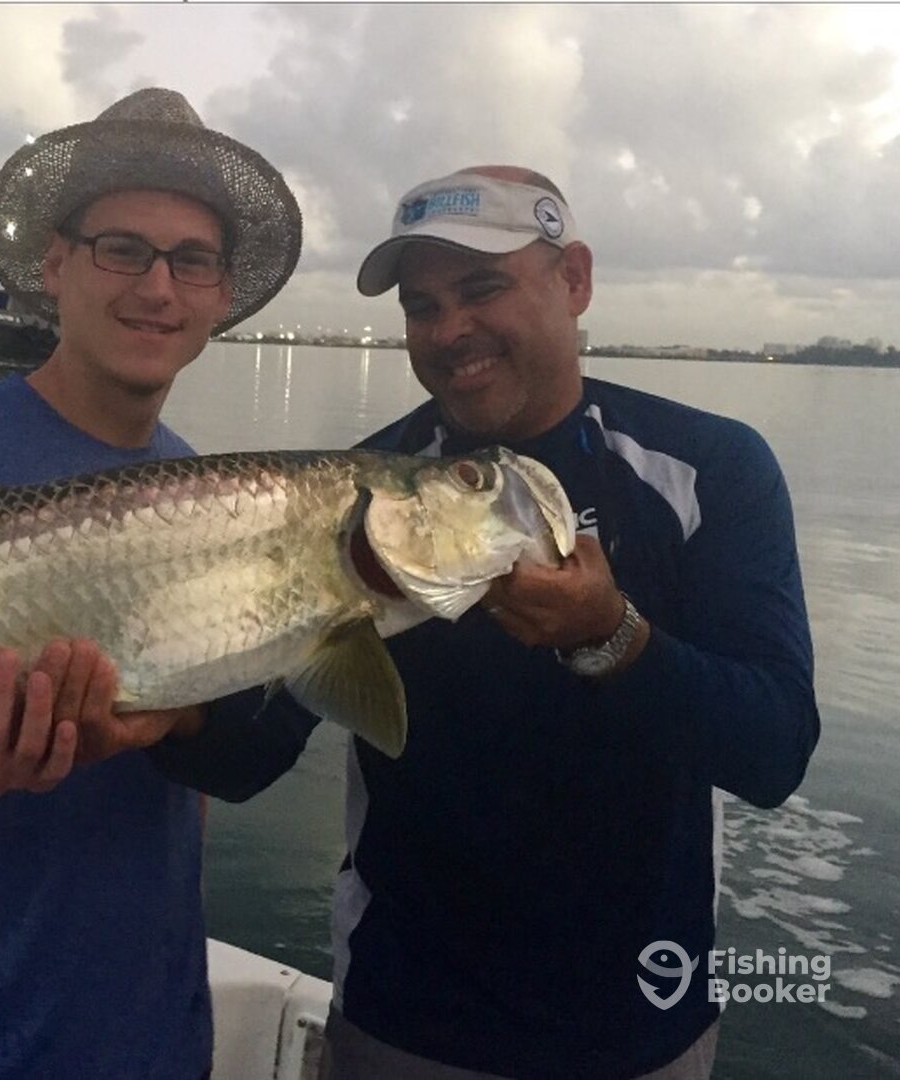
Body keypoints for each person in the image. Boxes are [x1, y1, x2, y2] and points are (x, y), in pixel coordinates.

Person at [149, 166, 821, 1078]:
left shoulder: (705, 469)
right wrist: (149, 705)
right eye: (422, 306)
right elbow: (244, 759)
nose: (448, 330)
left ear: (574, 281)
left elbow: (775, 749)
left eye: (481, 288)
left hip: (639, 1030)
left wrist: (610, 635)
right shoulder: (367, 490)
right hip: (403, 1020)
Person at [0, 88, 301, 1080]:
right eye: (123, 248)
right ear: (56, 263)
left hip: (152, 1041)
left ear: (217, 294)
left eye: (190, 260)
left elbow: (185, 783)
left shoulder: (201, 486)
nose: (157, 288)